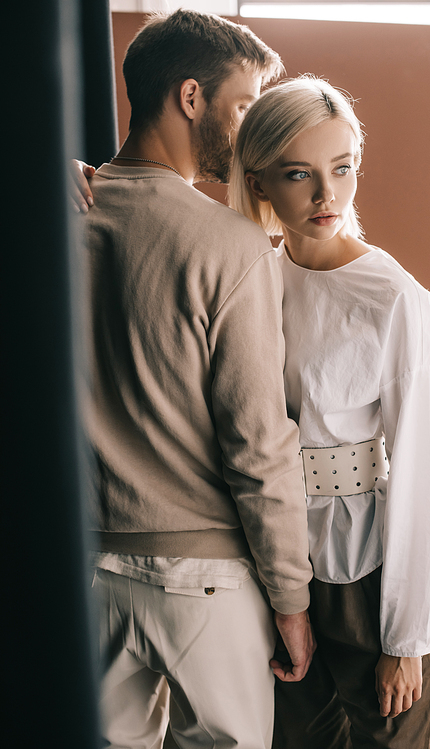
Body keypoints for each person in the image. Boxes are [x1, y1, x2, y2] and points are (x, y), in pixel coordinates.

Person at [84, 11, 315, 749]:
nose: (252, 129)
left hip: (85, 571)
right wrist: (291, 597)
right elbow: (258, 442)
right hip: (206, 585)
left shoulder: (55, 217)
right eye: (244, 104)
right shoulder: (233, 245)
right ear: (191, 97)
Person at [228, 77, 430, 748]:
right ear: (260, 181)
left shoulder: (395, 298)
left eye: (343, 168)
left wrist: (407, 637)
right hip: (273, 567)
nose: (328, 195)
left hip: (371, 574)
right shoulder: (249, 278)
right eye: (300, 173)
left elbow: (420, 470)